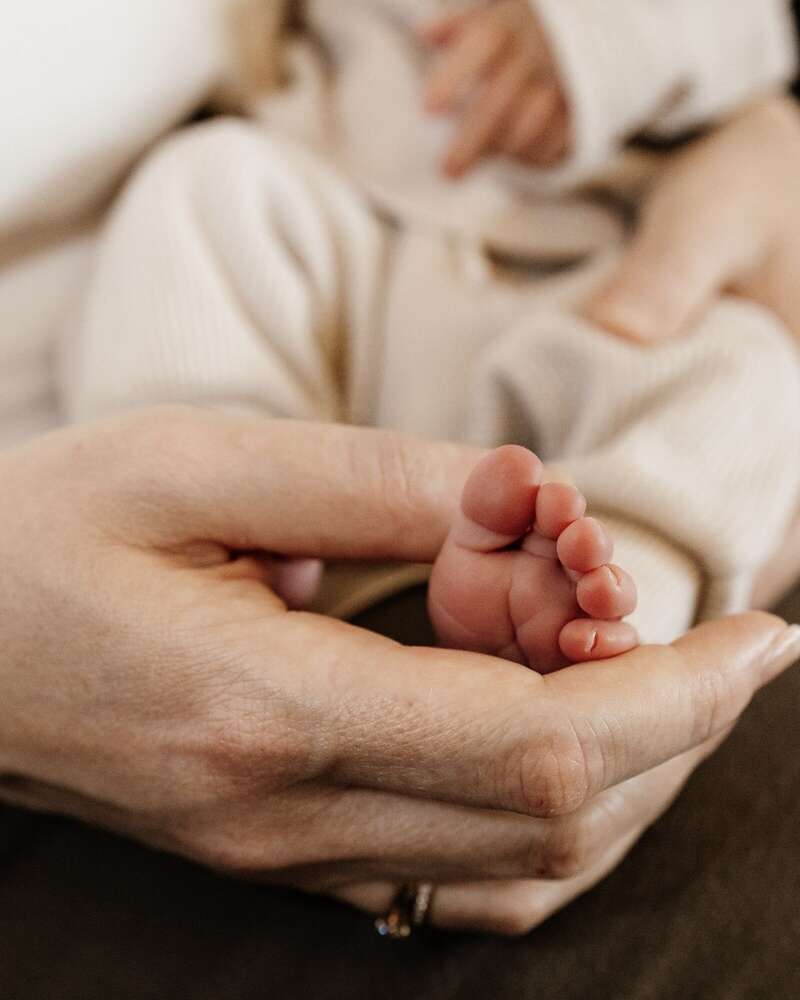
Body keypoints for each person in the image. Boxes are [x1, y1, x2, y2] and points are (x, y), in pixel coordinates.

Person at [60, 0, 800, 676]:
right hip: (350, 224)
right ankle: (209, 523)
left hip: (576, 270)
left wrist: (587, 32)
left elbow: (750, 31)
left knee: (749, 371)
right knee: (204, 183)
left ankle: (605, 606)